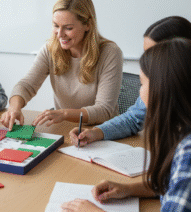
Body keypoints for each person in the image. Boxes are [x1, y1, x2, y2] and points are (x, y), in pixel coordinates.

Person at [61, 38, 191, 212]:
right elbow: (171, 184)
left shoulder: (188, 151)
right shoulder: (181, 134)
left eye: (143, 84)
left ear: (164, 89)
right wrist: (130, 189)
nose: (139, 91)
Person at [1, 0, 123, 130]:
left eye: (68, 28)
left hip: (101, 132)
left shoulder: (110, 53)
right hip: (65, 129)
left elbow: (104, 110)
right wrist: (14, 107)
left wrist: (64, 113)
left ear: (88, 25)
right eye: (56, 26)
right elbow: (26, 85)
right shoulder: (50, 49)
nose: (59, 34)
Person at [69, 16, 191, 147]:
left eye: (153, 55)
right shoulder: (156, 87)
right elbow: (134, 118)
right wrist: (96, 132)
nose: (145, 64)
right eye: (145, 54)